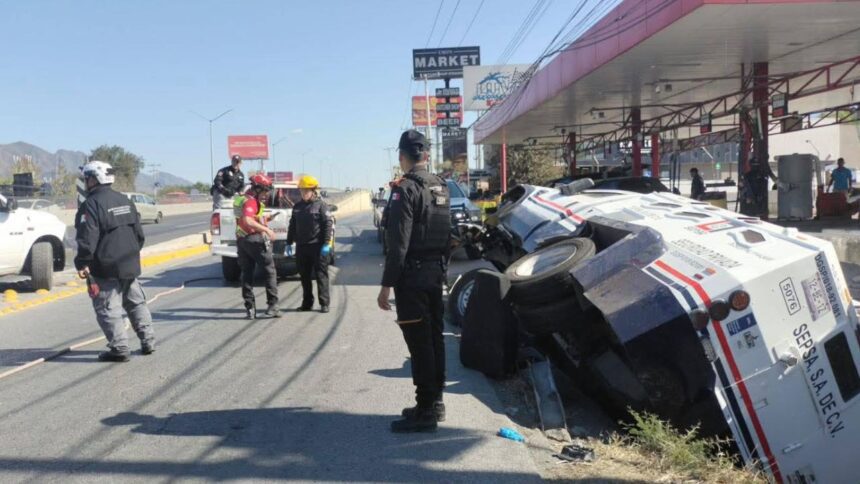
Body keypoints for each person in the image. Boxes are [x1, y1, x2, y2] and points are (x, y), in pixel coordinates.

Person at [377, 130, 451, 433]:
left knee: (419, 345)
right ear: (427, 155)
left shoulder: (405, 189)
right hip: (435, 274)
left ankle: (425, 412)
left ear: (402, 156)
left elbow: (399, 245)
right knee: (434, 340)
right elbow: (446, 236)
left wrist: (386, 285)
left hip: (413, 279)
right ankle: (435, 403)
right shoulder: (440, 186)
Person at [74, 161, 155, 362]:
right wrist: (130, 254)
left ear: (94, 179)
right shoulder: (125, 200)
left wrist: (82, 261)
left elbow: (87, 237)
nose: (86, 182)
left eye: (87, 178)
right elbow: (139, 235)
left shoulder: (90, 204)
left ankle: (119, 348)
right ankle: (148, 341)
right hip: (129, 264)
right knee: (136, 303)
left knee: (108, 308)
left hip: (105, 267)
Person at [235, 174, 280, 319]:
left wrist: (267, 219)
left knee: (246, 274)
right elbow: (248, 220)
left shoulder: (241, 199)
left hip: (242, 241)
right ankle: (273, 306)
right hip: (254, 239)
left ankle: (250, 310)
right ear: (257, 189)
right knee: (269, 271)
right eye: (265, 190)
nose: (267, 194)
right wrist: (266, 229)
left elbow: (247, 218)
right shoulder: (251, 201)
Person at [286, 175, 332, 313]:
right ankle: (307, 304)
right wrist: (289, 242)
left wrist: (326, 243)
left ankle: (324, 303)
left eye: (306, 191)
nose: (303, 193)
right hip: (302, 247)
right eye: (301, 191)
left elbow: (327, 224)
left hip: (317, 247)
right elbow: (292, 225)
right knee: (304, 277)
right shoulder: (297, 207)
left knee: (321, 276)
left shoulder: (321, 206)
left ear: (313, 191)